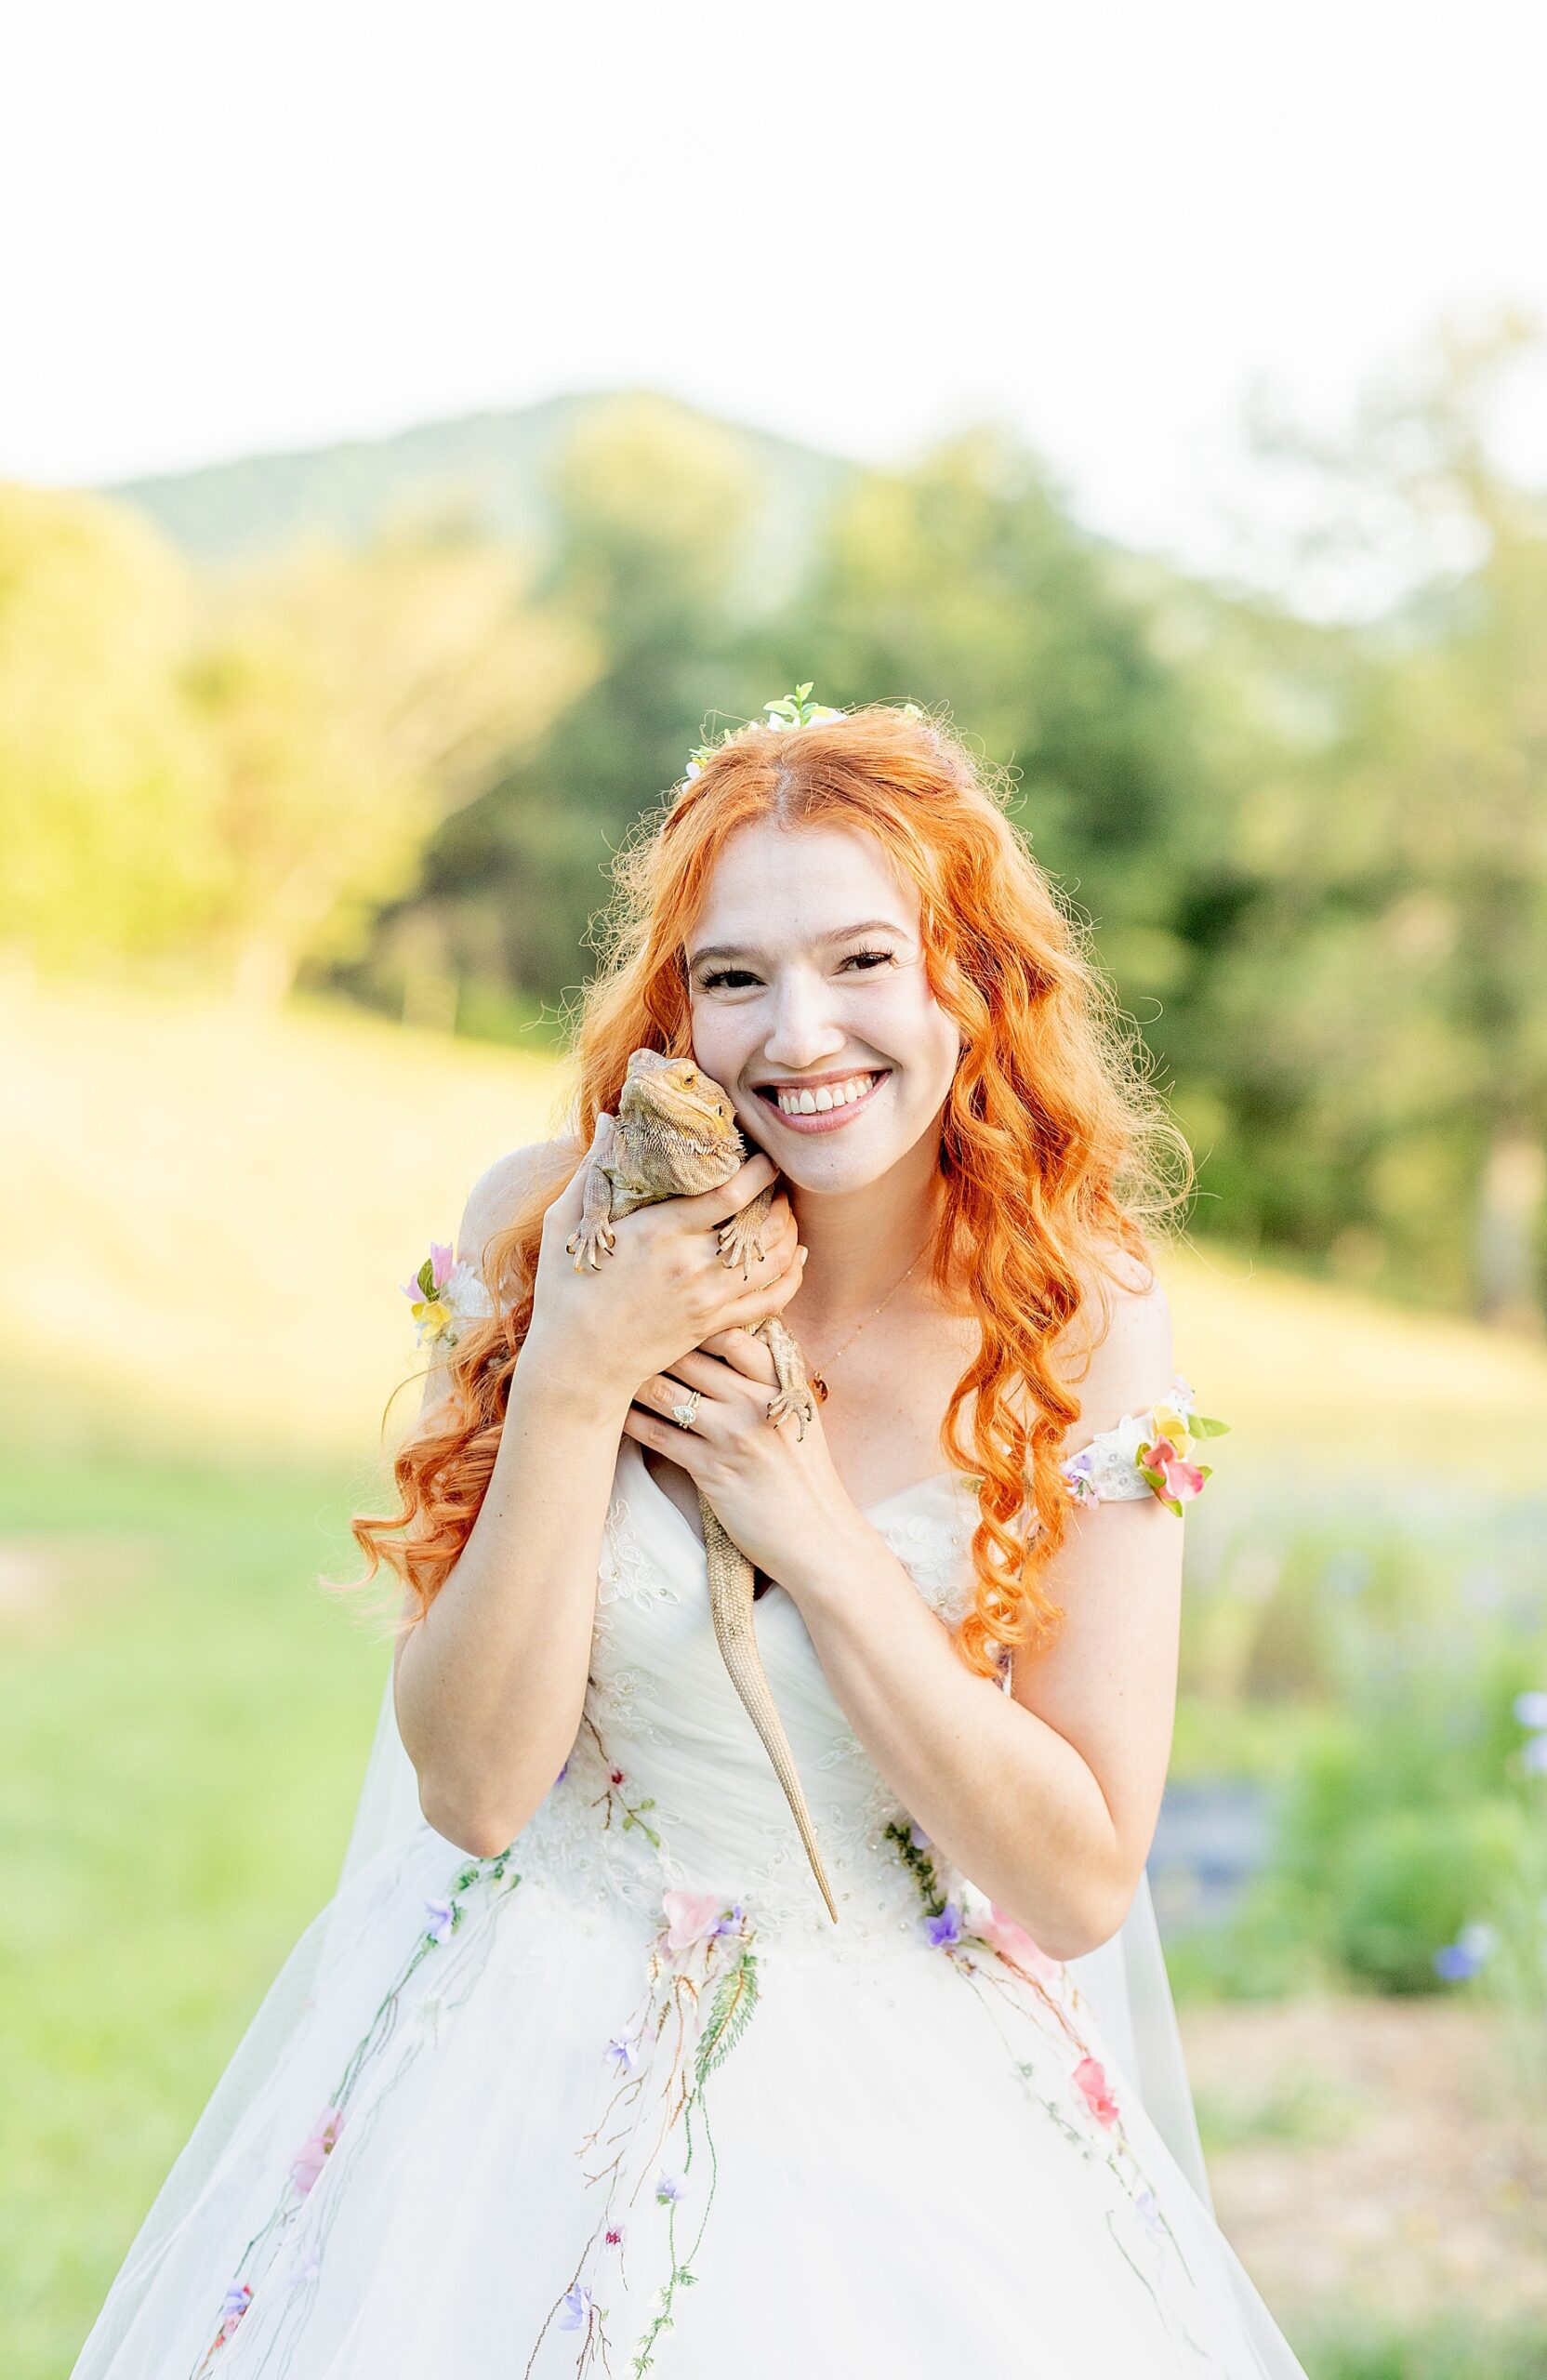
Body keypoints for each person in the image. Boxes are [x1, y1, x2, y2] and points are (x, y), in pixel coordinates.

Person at [73, 694, 1308, 2377]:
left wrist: (808, 1525)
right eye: (735, 977)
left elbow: (1080, 1878)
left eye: (865, 961)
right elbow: (473, 1789)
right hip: (522, 2071)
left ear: (974, 979)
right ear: (677, 1008)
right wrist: (578, 1371)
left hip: (902, 2123)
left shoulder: (1080, 1319)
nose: (802, 1034)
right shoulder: (544, 1227)